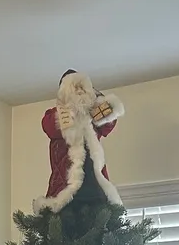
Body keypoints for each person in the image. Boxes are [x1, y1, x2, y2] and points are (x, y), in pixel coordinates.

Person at [32, 69, 125, 213]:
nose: (78, 92)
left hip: (95, 185)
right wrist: (74, 109)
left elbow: (109, 123)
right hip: (66, 187)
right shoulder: (54, 115)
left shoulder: (92, 117)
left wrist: (96, 100)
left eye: (82, 87)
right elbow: (51, 126)